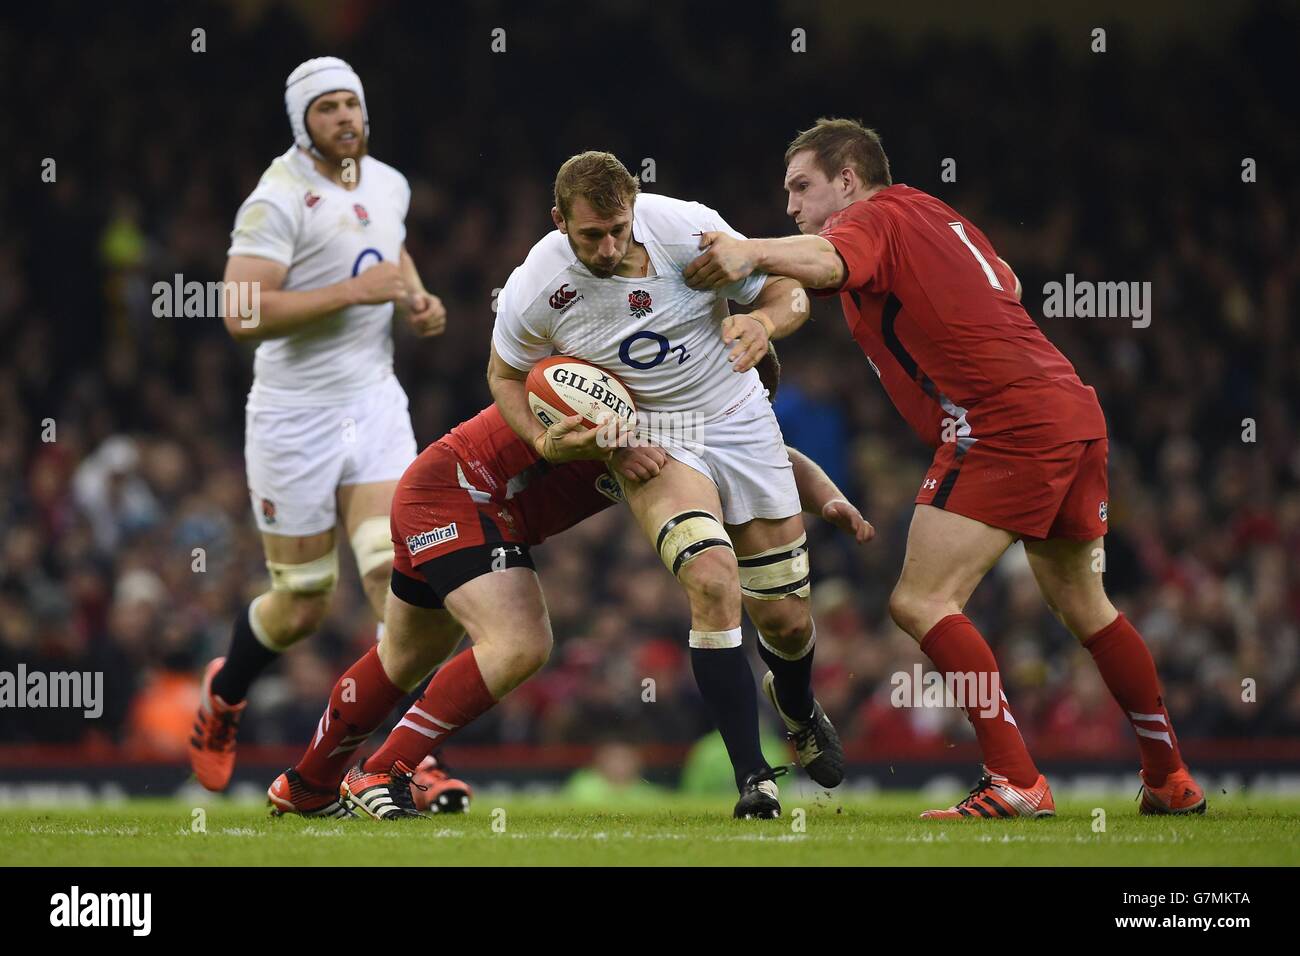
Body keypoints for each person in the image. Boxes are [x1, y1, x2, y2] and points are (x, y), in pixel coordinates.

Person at [684, 117, 1205, 819]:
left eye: (801, 187)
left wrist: (750, 252)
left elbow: (830, 262)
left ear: (847, 179)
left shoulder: (868, 217)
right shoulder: (933, 213)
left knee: (920, 600)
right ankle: (1169, 776)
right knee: (1086, 604)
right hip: (1069, 408)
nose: (791, 205)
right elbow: (1009, 283)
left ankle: (1014, 778)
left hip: (1003, 423)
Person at [268, 351, 874, 820]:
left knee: (402, 657)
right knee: (519, 642)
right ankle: (382, 772)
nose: (749, 413)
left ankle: (306, 784)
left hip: (450, 494)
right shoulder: (643, 387)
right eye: (747, 397)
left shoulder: (707, 421)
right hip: (464, 492)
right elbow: (546, 385)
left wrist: (831, 500)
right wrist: (608, 445)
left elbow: (777, 457)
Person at [488, 151, 848, 818]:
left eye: (619, 228)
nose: (609, 244)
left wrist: (763, 322)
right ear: (558, 221)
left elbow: (791, 290)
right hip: (657, 438)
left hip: (738, 414)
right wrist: (546, 441)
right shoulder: (537, 285)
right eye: (591, 233)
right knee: (712, 581)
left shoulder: (690, 232)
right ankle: (755, 781)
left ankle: (795, 707)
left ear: (636, 209)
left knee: (788, 621)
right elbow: (506, 376)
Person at [188, 57, 449, 794]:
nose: (343, 119)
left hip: (372, 403)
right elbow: (240, 313)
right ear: (302, 121)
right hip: (293, 418)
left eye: (351, 106)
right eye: (327, 108)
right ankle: (226, 691)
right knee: (302, 602)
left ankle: (404, 761)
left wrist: (416, 297)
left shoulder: (389, 183)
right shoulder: (276, 201)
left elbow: (387, 245)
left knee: (396, 576)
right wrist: (354, 292)